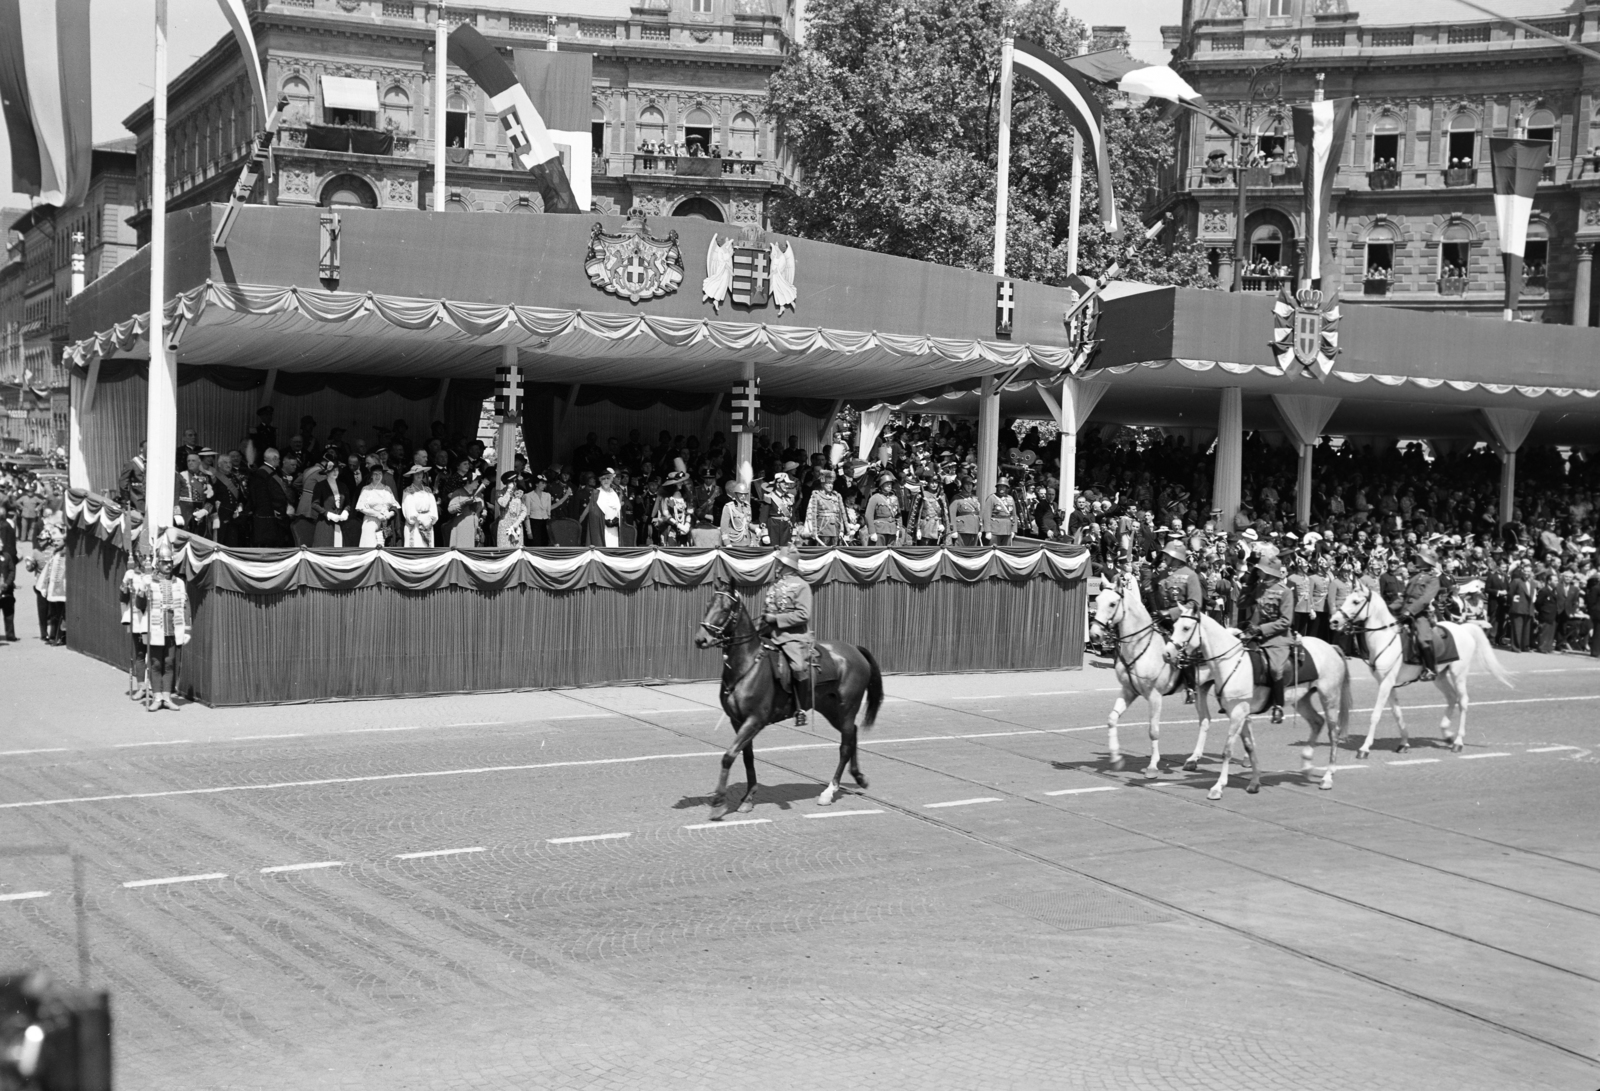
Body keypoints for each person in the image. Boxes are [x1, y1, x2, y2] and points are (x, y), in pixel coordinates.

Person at [761, 542, 814, 726]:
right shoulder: (776, 586)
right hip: (771, 633)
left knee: (798, 667)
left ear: (786, 565)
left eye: (779, 563)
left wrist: (776, 619)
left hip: (793, 636)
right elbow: (769, 607)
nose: (776, 566)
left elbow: (803, 615)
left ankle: (800, 708)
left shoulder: (802, 586)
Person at [1243, 555, 1296, 724]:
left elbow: (1286, 621)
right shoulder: (1259, 587)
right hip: (1255, 633)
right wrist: (1249, 583)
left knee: (1275, 669)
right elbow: (1241, 603)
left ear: (1269, 572)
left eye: (1260, 571)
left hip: (1277, 638)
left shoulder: (1285, 591)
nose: (1258, 573)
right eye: (1258, 571)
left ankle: (1278, 707)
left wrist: (1262, 629)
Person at [140, 542, 190, 712]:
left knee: (169, 663)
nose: (168, 565)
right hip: (155, 628)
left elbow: (185, 607)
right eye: (164, 562)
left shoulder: (180, 583)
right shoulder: (148, 581)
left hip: (173, 628)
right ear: (157, 564)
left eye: (170, 562)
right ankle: (157, 696)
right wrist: (140, 592)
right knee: (155, 663)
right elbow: (140, 605)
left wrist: (186, 630)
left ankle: (167, 697)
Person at [1155, 540, 1204, 703]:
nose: (1164, 557)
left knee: (1184, 650)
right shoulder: (1163, 574)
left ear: (1175, 556)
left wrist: (1170, 613)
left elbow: (1195, 603)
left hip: (1184, 621)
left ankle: (1191, 688)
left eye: (1167, 555)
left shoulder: (1191, 575)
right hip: (1164, 619)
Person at [1396, 546, 1443, 677]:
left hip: (1420, 614)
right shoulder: (1415, 576)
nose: (1416, 559)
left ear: (1426, 560)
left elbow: (1425, 599)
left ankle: (1430, 669)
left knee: (1423, 639)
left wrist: (1410, 611)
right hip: (1405, 611)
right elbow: (1404, 597)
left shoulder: (1433, 579)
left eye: (1419, 557)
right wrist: (1389, 607)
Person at [120, 547, 152, 701]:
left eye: (149, 556)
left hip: (152, 618)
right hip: (136, 617)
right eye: (142, 556)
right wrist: (126, 584)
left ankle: (153, 687)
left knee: (154, 654)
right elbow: (123, 597)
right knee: (140, 653)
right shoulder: (132, 574)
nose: (145, 559)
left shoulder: (155, 575)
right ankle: (141, 687)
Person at [247, 448, 295, 547]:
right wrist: (274, 509)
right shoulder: (262, 474)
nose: (280, 461)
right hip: (269, 516)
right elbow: (262, 497)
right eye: (278, 459)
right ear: (274, 458)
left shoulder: (270, 472)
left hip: (274, 514)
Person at [310, 454, 356, 548]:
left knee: (339, 549)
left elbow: (348, 503)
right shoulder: (320, 485)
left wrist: (346, 511)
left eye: (337, 470)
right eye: (332, 470)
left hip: (340, 522)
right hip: (325, 524)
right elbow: (314, 504)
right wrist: (328, 514)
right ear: (327, 472)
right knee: (325, 549)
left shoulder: (343, 485)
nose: (335, 472)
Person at [355, 464, 399, 548]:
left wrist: (390, 514)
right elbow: (361, 507)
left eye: (380, 474)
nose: (377, 476)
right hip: (371, 520)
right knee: (370, 546)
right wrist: (377, 514)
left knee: (385, 547)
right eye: (375, 474)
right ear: (371, 475)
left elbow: (394, 505)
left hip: (386, 521)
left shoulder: (387, 489)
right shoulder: (366, 489)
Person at [801, 468, 847, 545]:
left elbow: (840, 515)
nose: (830, 486)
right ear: (822, 484)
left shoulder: (836, 496)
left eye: (832, 483)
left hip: (835, 529)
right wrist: (812, 530)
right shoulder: (816, 496)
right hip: (822, 529)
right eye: (828, 483)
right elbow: (810, 514)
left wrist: (841, 530)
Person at [583, 467, 624, 547]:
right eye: (603, 479)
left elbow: (618, 509)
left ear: (611, 480)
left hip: (614, 529)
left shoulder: (614, 493)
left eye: (608, 478)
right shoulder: (596, 493)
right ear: (600, 480)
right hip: (602, 528)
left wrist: (616, 519)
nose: (606, 481)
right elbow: (594, 514)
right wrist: (604, 520)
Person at [401, 466, 439, 546]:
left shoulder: (428, 490)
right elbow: (408, 508)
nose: (419, 475)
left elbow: (433, 507)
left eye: (421, 473)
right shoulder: (408, 491)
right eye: (416, 473)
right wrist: (418, 519)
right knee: (416, 545)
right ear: (413, 475)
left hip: (428, 522)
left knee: (427, 546)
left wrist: (431, 519)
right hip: (416, 524)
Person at [864, 472, 902, 546]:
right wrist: (872, 532)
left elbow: (898, 515)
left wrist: (899, 529)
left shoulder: (894, 498)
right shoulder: (875, 498)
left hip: (892, 530)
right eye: (886, 483)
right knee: (879, 553)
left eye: (890, 483)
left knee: (891, 554)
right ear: (881, 485)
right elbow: (868, 515)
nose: (889, 485)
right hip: (879, 530)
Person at [0, 498, 18, 642]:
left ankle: (10, 634)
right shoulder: (7, 526)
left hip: (6, 579)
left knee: (8, 609)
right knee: (8, 609)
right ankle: (9, 635)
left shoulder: (5, 527)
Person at [982, 478, 1019, 546]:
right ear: (997, 487)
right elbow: (987, 515)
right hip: (995, 529)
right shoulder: (992, 498)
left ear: (1007, 487)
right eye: (1000, 486)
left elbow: (1014, 515)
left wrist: (1014, 530)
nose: (1002, 488)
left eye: (1004, 486)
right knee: (993, 550)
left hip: (1007, 529)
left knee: (1005, 551)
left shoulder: (1010, 498)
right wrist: (987, 531)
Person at [719, 480, 756, 547]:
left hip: (746, 541)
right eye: (741, 494)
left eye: (745, 494)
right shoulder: (729, 507)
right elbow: (724, 528)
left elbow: (747, 524)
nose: (743, 496)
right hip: (734, 542)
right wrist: (727, 543)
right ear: (736, 494)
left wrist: (756, 529)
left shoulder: (747, 506)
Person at [524, 473, 554, 546]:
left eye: (545, 483)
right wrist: (528, 531)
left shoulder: (547, 495)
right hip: (534, 523)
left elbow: (548, 513)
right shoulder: (528, 496)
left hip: (545, 523)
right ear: (536, 484)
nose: (544, 485)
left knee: (544, 544)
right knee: (535, 544)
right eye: (542, 483)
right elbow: (527, 515)